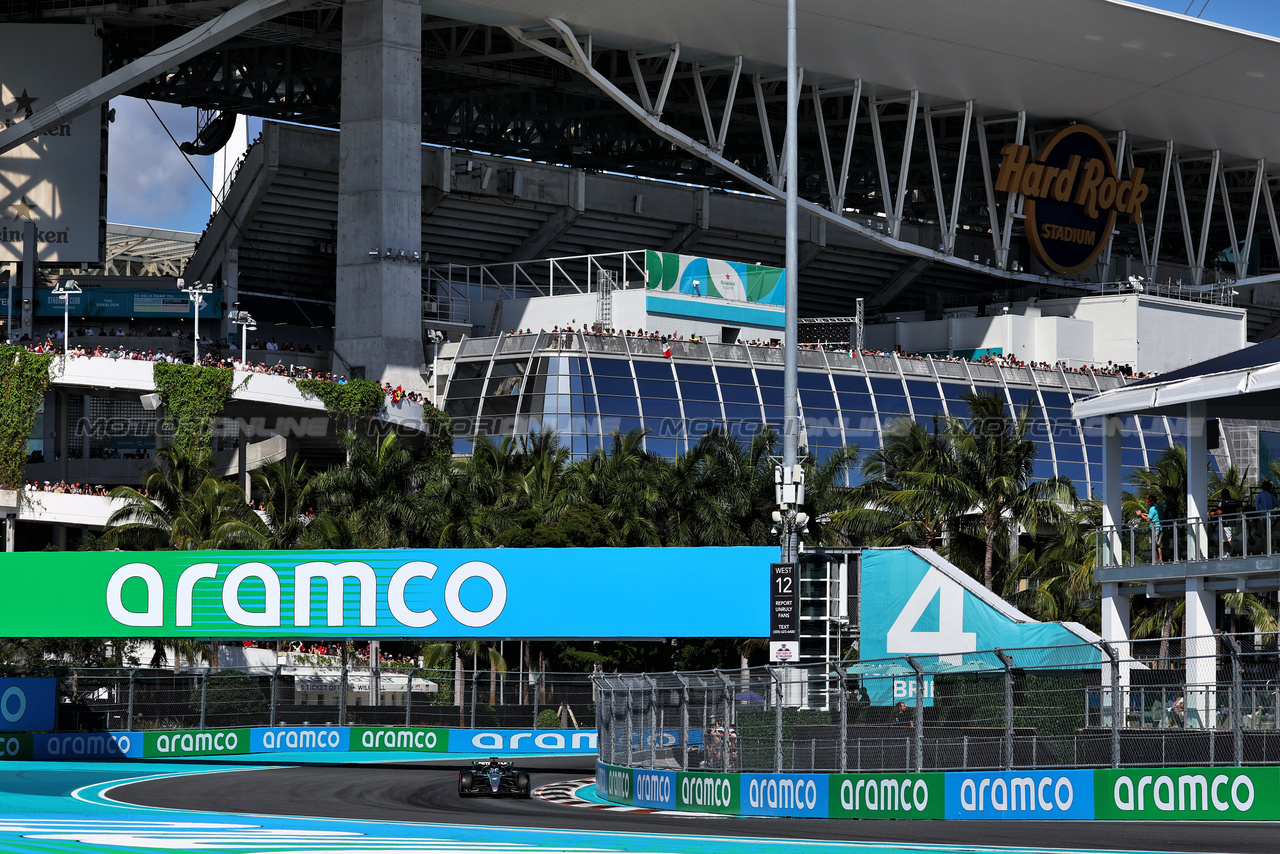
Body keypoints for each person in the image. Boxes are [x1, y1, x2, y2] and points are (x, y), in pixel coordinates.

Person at [1137, 495, 1163, 562]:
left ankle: (1156, 561)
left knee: (1154, 545)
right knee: (1158, 545)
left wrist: (1141, 515)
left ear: (1152, 501)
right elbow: (1153, 515)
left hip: (1154, 528)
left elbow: (1148, 519)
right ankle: (1160, 559)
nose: (1148, 503)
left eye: (1149, 501)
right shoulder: (1159, 507)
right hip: (1160, 528)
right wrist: (1144, 514)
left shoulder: (1152, 509)